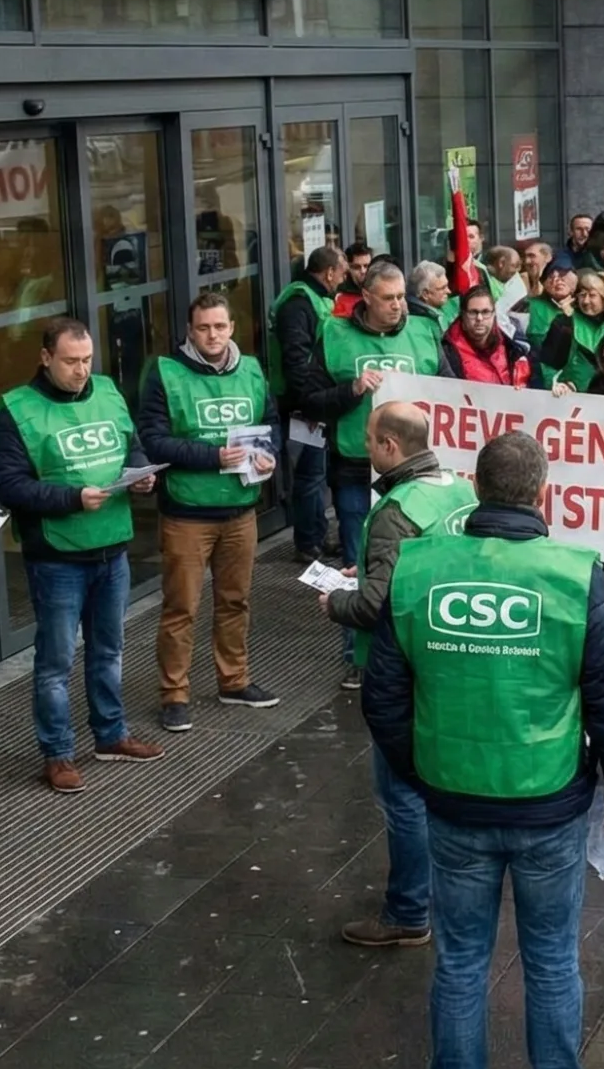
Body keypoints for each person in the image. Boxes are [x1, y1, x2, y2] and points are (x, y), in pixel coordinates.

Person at [362, 431, 604, 1069]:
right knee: (551, 960)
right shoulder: (574, 574)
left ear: (476, 490)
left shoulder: (418, 566)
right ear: (542, 492)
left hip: (453, 801)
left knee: (459, 960)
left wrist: (422, 770)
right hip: (548, 801)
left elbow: (382, 695)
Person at [327, 403, 478, 944]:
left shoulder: (395, 509)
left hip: (402, 667)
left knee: (401, 795)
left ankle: (409, 911)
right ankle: (449, 893)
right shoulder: (457, 489)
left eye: (370, 439)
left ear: (391, 445)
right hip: (451, 654)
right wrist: (369, 572)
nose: (365, 447)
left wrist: (335, 601)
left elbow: (376, 606)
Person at [0, 318, 163, 791]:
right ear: (46, 357)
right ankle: (58, 754)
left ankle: (111, 735)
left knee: (109, 651)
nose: (81, 370)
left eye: (87, 359)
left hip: (112, 547)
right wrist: (71, 498)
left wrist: (141, 474)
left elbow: (132, 447)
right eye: (70, 361)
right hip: (56, 557)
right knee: (56, 662)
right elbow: (9, 486)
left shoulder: (108, 392)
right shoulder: (16, 410)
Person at [138, 291, 281, 734]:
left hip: (240, 508)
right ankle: (174, 694)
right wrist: (212, 457)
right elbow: (153, 441)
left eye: (220, 326)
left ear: (232, 327)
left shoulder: (252, 369)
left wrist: (270, 455)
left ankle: (233, 681)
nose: (213, 335)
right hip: (187, 512)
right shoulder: (165, 372)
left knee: (236, 601)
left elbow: (272, 423)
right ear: (190, 330)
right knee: (181, 607)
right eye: (204, 328)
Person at [293, 261, 446, 571]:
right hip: (355, 467)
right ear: (366, 296)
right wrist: (352, 389)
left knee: (411, 562)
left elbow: (452, 392)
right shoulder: (335, 334)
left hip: (414, 469)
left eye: (400, 296)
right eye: (388, 298)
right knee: (359, 563)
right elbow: (309, 403)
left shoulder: (424, 331)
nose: (397, 305)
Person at [268, 244, 345, 560]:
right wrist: (309, 405)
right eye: (341, 273)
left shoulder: (312, 298)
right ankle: (307, 542)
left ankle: (317, 536)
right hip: (303, 405)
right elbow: (296, 360)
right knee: (310, 474)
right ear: (329, 272)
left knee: (316, 473)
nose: (343, 280)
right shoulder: (298, 305)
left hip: (314, 401)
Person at [537, 268, 604, 391]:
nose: (586, 301)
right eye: (582, 295)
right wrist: (554, 384)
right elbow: (549, 361)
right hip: (572, 393)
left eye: (592, 295)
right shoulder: (566, 323)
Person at [441, 286, 539, 388]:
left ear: (494, 315)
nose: (479, 318)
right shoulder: (448, 352)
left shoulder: (514, 349)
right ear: (463, 316)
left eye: (485, 312)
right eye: (473, 312)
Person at [410, 261, 457, 328]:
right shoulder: (416, 324)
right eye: (443, 288)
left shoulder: (441, 305)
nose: (449, 291)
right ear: (425, 294)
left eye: (447, 286)